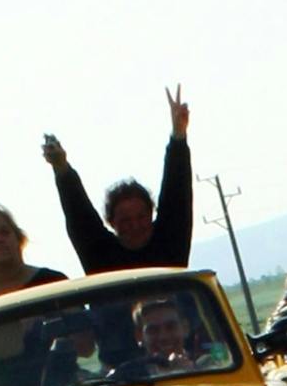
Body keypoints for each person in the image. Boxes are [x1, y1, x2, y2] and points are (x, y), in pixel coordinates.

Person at [42, 87, 194, 274]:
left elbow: (177, 194)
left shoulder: (171, 242)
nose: (135, 226)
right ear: (111, 222)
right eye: (125, 221)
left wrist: (179, 135)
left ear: (151, 214)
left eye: (141, 217)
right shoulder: (100, 257)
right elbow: (79, 215)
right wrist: (60, 167)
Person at [129, 296, 196, 371]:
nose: (163, 337)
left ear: (185, 328)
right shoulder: (129, 374)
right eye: (153, 330)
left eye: (171, 327)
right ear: (139, 336)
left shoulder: (205, 365)